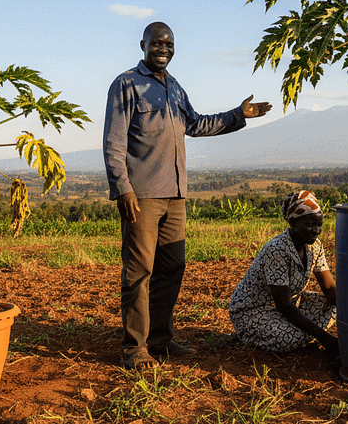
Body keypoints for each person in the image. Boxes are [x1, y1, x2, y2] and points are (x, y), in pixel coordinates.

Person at [104, 21, 272, 370]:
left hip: (175, 195)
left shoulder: (176, 88)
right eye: (156, 43)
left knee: (173, 267)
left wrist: (239, 115)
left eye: (169, 43)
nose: (163, 48)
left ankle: (160, 341)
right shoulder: (126, 84)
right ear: (142, 45)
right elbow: (114, 142)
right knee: (139, 272)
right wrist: (123, 188)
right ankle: (134, 349)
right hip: (143, 196)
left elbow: (195, 124)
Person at [229, 190, 338, 358]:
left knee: (335, 307)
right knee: (289, 338)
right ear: (293, 222)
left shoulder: (315, 246)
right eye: (310, 224)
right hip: (255, 312)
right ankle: (253, 335)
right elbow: (283, 304)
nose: (316, 230)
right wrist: (324, 337)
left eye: (319, 225)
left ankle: (301, 332)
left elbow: (330, 288)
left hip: (291, 304)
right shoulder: (278, 249)